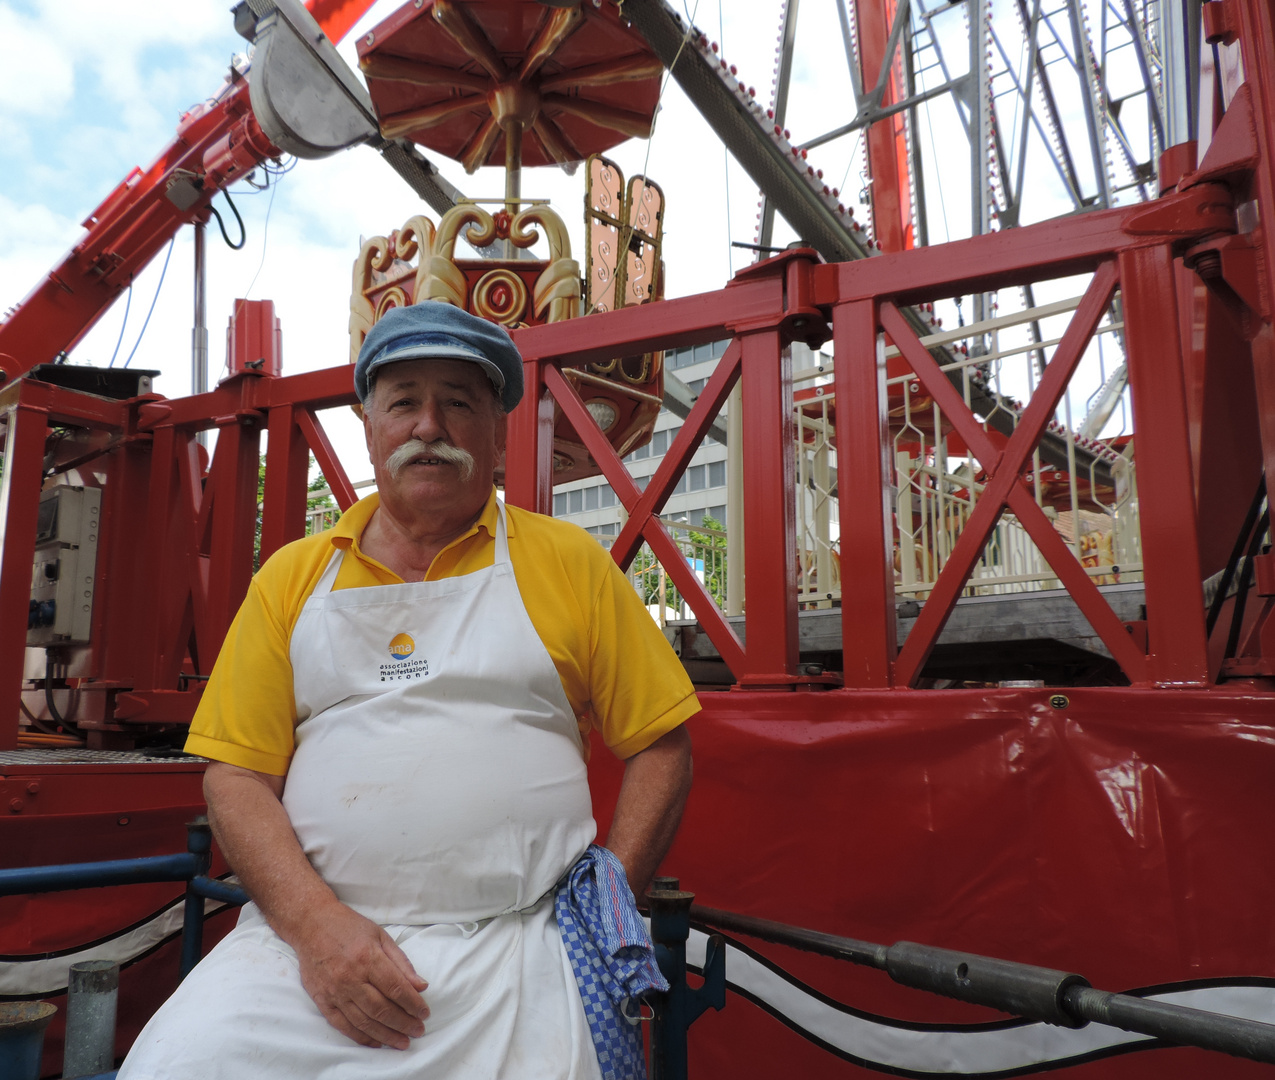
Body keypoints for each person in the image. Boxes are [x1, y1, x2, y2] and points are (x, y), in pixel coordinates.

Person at [119, 301, 698, 1080]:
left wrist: (607, 907)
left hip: (522, 948)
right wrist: (317, 928)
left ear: (496, 433)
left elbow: (660, 744)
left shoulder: (569, 563)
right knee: (176, 1068)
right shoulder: (292, 576)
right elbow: (235, 773)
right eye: (403, 402)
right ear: (370, 427)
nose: (429, 425)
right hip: (306, 949)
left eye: (459, 402)